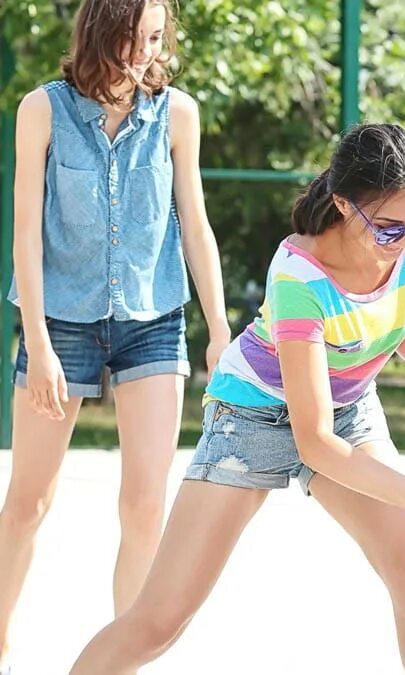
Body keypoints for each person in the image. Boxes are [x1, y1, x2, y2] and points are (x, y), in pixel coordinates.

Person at [69, 123, 405, 674]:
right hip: (253, 419)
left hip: (344, 410)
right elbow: (315, 442)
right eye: (393, 226)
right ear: (346, 205)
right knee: (159, 620)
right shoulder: (300, 278)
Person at [0, 2, 230, 672]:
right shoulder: (41, 110)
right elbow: (24, 234)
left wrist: (219, 329)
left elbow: (195, 224)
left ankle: (123, 655)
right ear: (99, 30)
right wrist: (37, 341)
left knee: (145, 500)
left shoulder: (178, 114)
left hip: (152, 320)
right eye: (134, 36)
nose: (145, 52)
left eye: (156, 38)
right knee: (29, 499)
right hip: (61, 321)